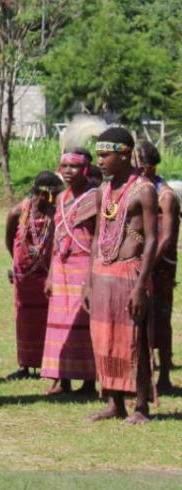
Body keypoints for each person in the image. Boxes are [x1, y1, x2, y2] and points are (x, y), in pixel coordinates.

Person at [86, 127, 157, 423]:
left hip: (130, 271)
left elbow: (152, 238)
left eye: (105, 155)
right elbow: (97, 235)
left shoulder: (144, 190)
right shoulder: (103, 191)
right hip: (103, 270)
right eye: (98, 155)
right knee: (104, 338)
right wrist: (89, 281)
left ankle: (141, 406)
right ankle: (115, 402)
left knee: (134, 340)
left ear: (124, 154)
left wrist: (141, 286)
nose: (99, 161)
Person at [41, 148, 98, 397]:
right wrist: (51, 273)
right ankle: (62, 379)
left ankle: (88, 382)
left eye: (73, 166)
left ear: (85, 169)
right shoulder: (61, 197)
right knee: (60, 324)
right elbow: (56, 238)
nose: (67, 171)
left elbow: (98, 238)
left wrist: (93, 276)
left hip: (84, 265)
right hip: (62, 266)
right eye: (64, 166)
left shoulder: (95, 197)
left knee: (83, 324)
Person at [4, 172, 61, 379]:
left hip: (47, 274)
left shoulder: (54, 214)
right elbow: (9, 239)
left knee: (47, 317)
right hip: (24, 276)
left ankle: (47, 362)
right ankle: (25, 365)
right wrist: (18, 262)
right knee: (24, 318)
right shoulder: (17, 212)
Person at [137, 140, 178, 393]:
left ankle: (164, 375)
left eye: (138, 165)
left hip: (160, 268)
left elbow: (167, 239)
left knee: (161, 319)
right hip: (140, 265)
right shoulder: (139, 191)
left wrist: (149, 263)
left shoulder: (166, 196)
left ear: (149, 167)